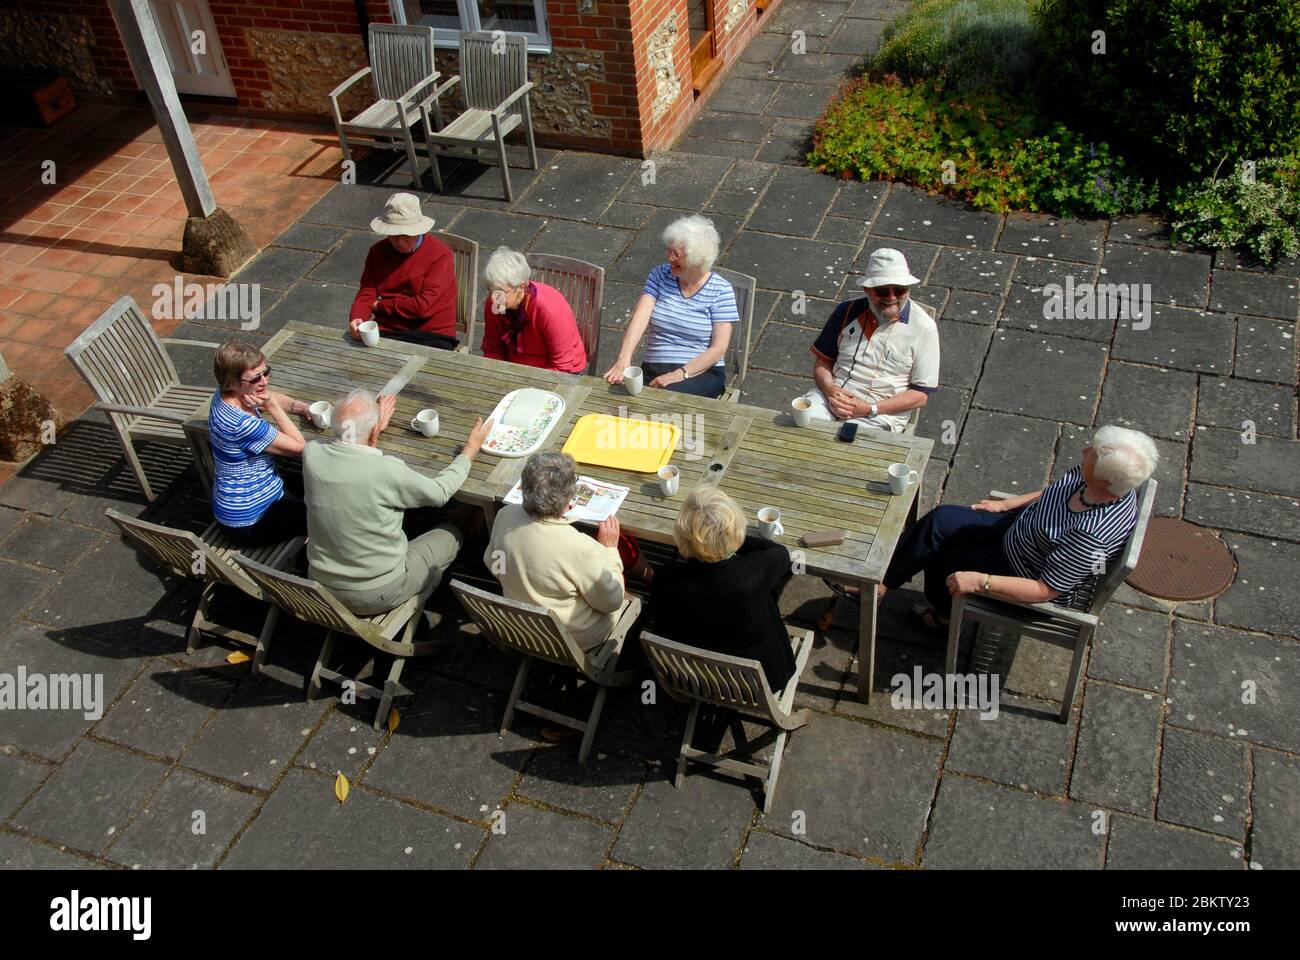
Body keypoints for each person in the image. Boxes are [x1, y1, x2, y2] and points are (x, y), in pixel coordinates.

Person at [881, 425, 1159, 626]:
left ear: (1105, 480)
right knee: (941, 519)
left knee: (943, 560)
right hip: (1021, 530)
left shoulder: (1090, 536)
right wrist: (1008, 504)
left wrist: (981, 581)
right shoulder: (1096, 479)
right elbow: (1054, 491)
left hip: (1024, 571)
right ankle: (884, 581)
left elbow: (1045, 589)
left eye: (1091, 453)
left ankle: (944, 618)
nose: (1084, 451)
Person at [302, 388, 493, 615]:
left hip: (320, 585)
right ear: (374, 430)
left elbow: (348, 457)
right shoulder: (388, 470)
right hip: (378, 592)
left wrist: (371, 432)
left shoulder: (311, 454)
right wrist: (470, 450)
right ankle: (466, 528)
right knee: (452, 531)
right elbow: (440, 492)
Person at [648, 486, 797, 693]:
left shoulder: (666, 578)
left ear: (682, 537)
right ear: (736, 531)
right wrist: (728, 538)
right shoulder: (754, 573)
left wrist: (709, 540)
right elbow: (780, 552)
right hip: (758, 685)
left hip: (695, 678)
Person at [484, 452, 634, 650]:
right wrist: (610, 551)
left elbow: (494, 565)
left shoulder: (505, 515)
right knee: (632, 598)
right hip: (571, 639)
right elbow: (611, 602)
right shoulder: (580, 548)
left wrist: (522, 579)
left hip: (522, 625)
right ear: (568, 499)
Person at [795, 247, 940, 433]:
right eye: (882, 291)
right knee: (800, 427)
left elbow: (920, 395)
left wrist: (870, 409)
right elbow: (823, 361)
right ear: (867, 289)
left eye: (899, 290)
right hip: (831, 398)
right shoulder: (845, 311)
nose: (892, 297)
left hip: (881, 414)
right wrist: (830, 389)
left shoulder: (924, 328)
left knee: (851, 444)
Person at [602, 214, 738, 399]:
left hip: (699, 372)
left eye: (677, 254)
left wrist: (678, 375)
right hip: (654, 368)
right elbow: (640, 318)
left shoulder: (721, 290)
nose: (669, 257)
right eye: (669, 249)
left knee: (660, 399)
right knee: (616, 395)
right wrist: (623, 359)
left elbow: (718, 349)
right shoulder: (660, 275)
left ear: (698, 259)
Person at [208, 339, 310, 546]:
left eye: (266, 372)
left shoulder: (225, 396)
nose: (264, 382)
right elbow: (302, 449)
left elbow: (263, 395)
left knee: (315, 483)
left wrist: (299, 407)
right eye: (255, 378)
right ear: (232, 382)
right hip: (252, 522)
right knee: (327, 514)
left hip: (240, 504)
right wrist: (273, 407)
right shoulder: (242, 423)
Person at [348, 193, 459, 349]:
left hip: (432, 332)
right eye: (393, 235)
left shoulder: (440, 254)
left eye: (405, 235)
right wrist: (357, 318)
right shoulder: (377, 252)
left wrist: (379, 306)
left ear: (418, 231)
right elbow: (367, 292)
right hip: (389, 329)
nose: (399, 241)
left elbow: (424, 306)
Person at [479, 247, 587, 373]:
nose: (493, 298)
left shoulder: (549, 309)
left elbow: (562, 366)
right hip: (515, 367)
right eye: (490, 290)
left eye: (500, 292)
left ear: (521, 287)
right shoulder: (496, 304)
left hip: (555, 372)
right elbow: (493, 349)